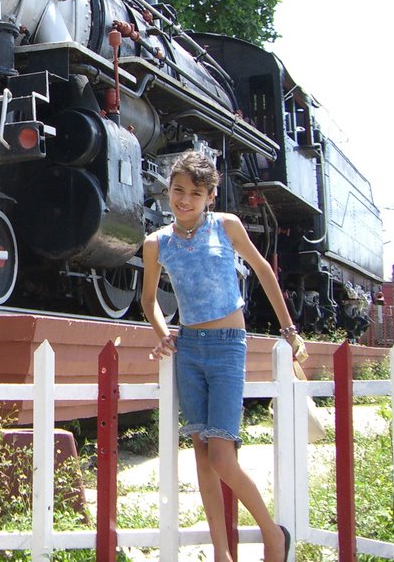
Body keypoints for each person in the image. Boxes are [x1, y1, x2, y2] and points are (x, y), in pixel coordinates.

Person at [141, 150, 306, 562]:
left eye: (195, 193)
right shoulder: (155, 243)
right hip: (190, 350)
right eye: (178, 191)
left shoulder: (227, 226)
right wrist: (164, 335)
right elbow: (149, 301)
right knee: (201, 455)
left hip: (230, 345)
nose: (184, 200)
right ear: (169, 191)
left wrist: (288, 329)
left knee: (221, 456)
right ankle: (222, 553)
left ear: (210, 195)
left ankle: (273, 534)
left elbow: (264, 272)